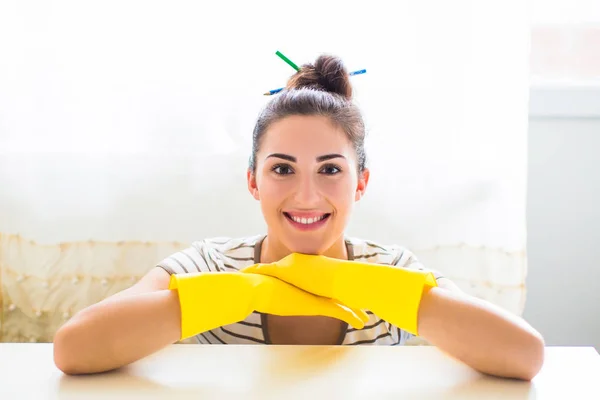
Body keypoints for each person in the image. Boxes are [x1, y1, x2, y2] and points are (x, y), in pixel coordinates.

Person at [53, 54, 545, 380]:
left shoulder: (391, 268)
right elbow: (74, 349)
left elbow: (524, 354)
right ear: (252, 181)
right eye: (282, 169)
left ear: (361, 183)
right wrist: (258, 287)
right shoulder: (208, 264)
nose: (306, 195)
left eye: (330, 169)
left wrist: (336, 279)